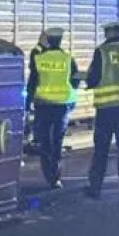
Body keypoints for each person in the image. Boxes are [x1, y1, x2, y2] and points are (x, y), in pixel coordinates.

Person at [84, 22, 119, 203]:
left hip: (107, 108)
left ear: (109, 33)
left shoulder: (102, 51)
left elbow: (94, 78)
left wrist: (86, 80)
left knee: (101, 150)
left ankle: (95, 188)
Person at [26, 27, 80, 189]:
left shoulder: (39, 58)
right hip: (62, 105)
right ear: (60, 40)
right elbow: (75, 81)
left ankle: (49, 174)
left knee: (45, 141)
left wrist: (27, 104)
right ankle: (56, 177)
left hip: (43, 104)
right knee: (57, 140)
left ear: (48, 40)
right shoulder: (68, 59)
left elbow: (32, 82)